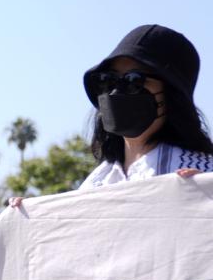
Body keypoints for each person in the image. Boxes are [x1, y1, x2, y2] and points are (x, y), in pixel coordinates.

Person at [78, 24, 212, 188]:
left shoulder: (202, 175)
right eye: (108, 79)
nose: (115, 92)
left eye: (134, 80)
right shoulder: (93, 186)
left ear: (172, 94)